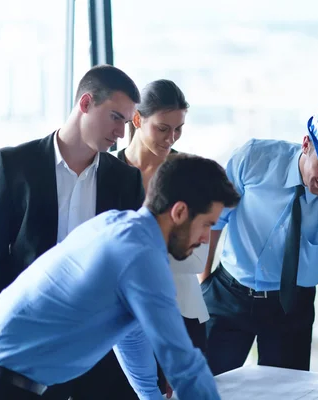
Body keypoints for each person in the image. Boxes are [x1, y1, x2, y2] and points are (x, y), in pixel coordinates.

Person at [0, 154, 240, 400]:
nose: (206, 238)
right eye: (206, 224)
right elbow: (183, 363)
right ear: (179, 212)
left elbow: (129, 334)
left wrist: (150, 396)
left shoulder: (115, 225)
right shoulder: (142, 257)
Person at [0, 65, 145, 399]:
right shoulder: (13, 166)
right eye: (116, 118)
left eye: (127, 122)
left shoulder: (126, 180)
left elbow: (129, 269)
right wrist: (18, 332)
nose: (122, 133)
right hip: (25, 354)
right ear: (85, 103)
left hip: (97, 355)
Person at [200, 100, 318, 400]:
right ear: (306, 143)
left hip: (290, 307)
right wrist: (203, 278)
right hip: (228, 296)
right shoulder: (254, 158)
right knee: (199, 390)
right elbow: (214, 218)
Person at [114, 79, 209, 352]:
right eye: (162, 128)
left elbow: (196, 259)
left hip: (180, 313)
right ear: (136, 119)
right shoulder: (107, 172)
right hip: (119, 317)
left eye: (178, 129)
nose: (171, 138)